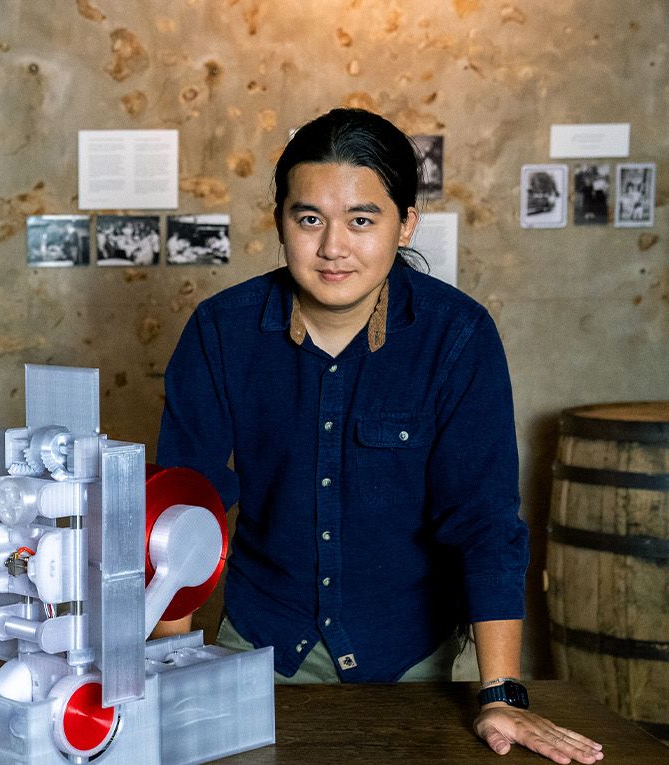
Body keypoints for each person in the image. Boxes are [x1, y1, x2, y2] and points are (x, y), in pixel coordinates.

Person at [154, 108, 602, 764]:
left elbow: (485, 523)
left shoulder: (459, 337)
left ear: (405, 224)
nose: (333, 246)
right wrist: (169, 666)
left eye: (362, 220)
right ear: (279, 220)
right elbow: (179, 511)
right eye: (309, 219)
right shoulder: (220, 331)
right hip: (260, 651)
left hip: (413, 661)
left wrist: (500, 691)